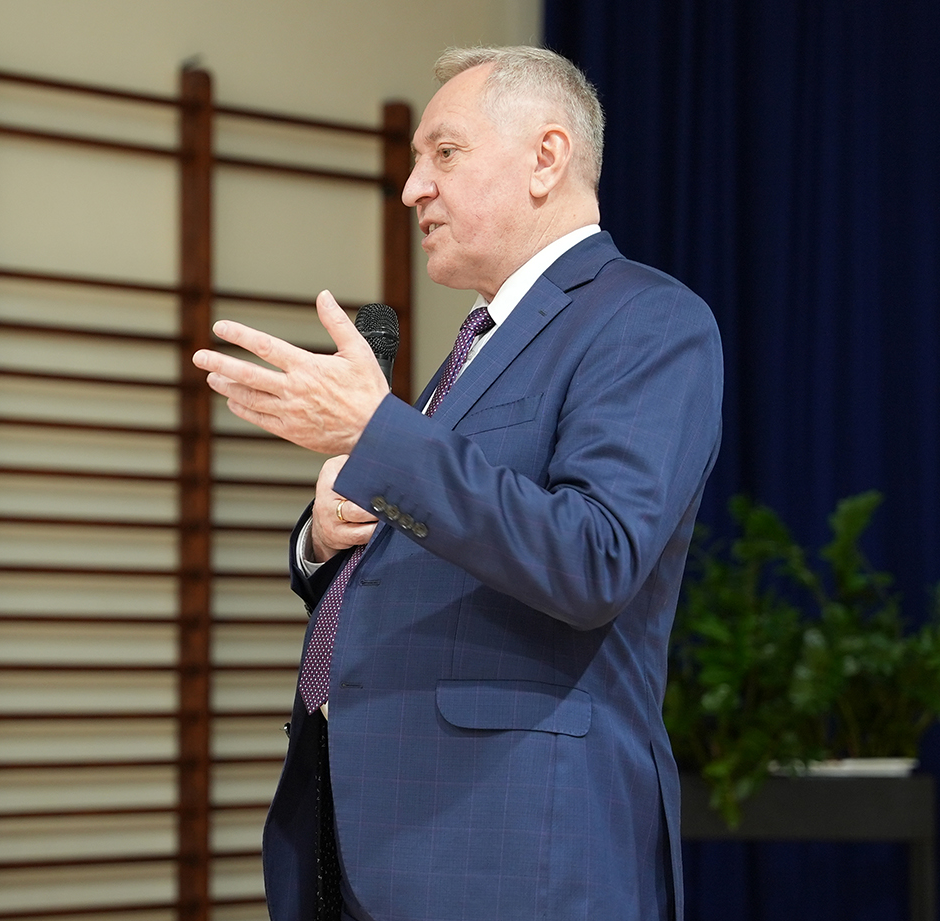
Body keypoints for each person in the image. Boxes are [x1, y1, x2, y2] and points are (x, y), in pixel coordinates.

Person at [192, 45, 723, 921]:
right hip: (372, 830)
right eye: (415, 161)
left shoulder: (647, 318)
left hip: (514, 848)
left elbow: (594, 556)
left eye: (444, 152)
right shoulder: (480, 341)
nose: (413, 189)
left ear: (546, 158)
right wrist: (321, 536)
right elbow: (444, 531)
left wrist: (378, 437)